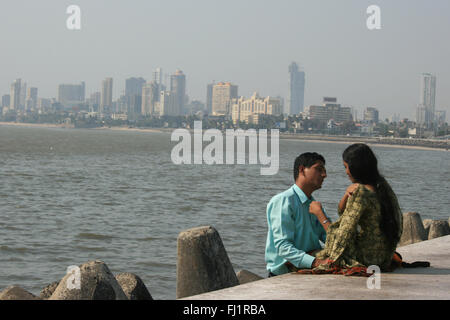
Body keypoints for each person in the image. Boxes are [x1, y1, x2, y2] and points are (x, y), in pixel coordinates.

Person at [307, 143, 403, 273]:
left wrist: (320, 214)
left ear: (355, 167)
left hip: (365, 259)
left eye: (346, 167)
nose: (346, 172)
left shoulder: (362, 193)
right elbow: (343, 212)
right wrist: (346, 195)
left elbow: (342, 238)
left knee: (306, 257)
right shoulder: (383, 187)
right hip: (383, 258)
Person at [265, 152, 332, 277]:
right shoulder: (284, 200)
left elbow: (329, 238)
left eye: (324, 170)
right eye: (319, 169)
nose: (324, 175)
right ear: (302, 170)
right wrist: (317, 262)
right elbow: (283, 247)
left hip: (308, 268)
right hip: (284, 275)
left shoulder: (313, 204)